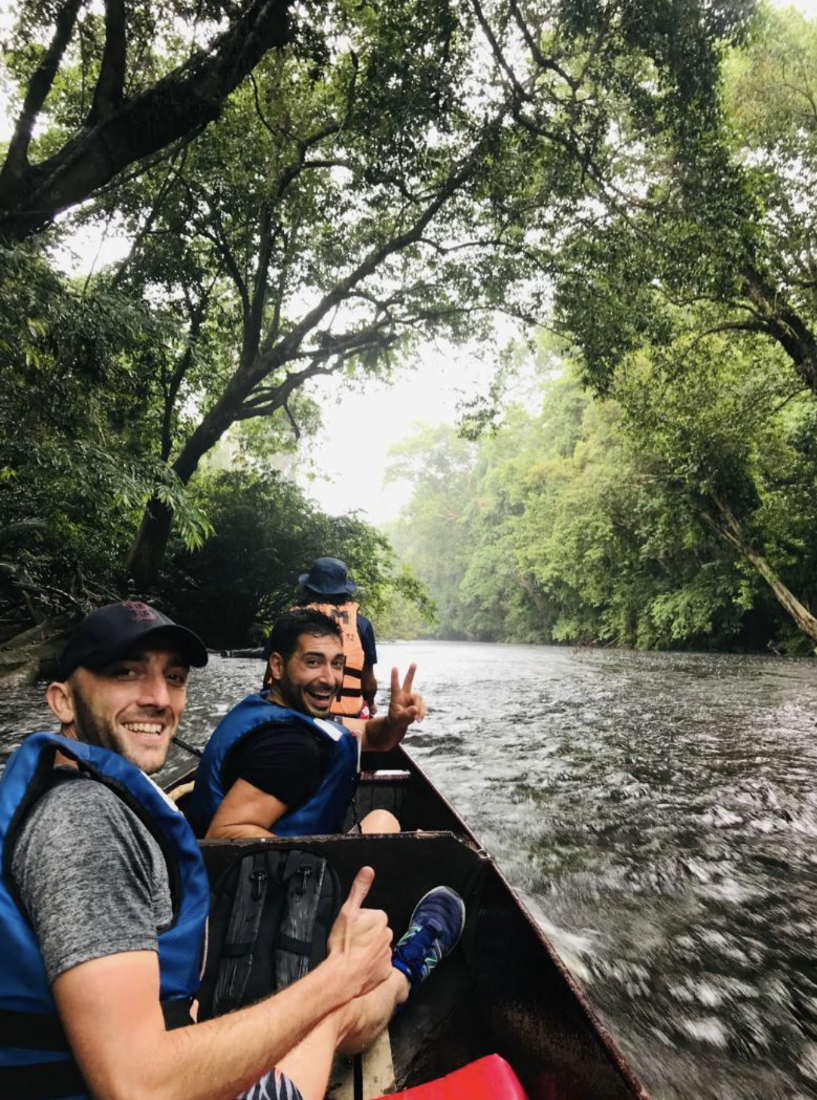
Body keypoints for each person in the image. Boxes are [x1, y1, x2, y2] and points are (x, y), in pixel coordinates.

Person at [0, 600, 465, 1100]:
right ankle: (403, 972)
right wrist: (338, 976)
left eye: (173, 677)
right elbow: (138, 1086)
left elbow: (360, 735)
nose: (158, 697)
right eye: (125, 673)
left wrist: (392, 724)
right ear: (62, 701)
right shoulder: (83, 826)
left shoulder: (76, 778)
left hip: (157, 1020)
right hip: (146, 1079)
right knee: (337, 1009)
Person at [192, 608, 423, 839]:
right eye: (313, 662)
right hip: (271, 872)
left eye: (337, 664)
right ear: (277, 666)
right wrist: (327, 859)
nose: (329, 679)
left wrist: (395, 722)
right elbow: (222, 836)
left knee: (383, 820)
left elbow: (372, 737)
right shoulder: (291, 748)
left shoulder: (270, 707)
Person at [295, 557, 378, 717]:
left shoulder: (290, 621)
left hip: (300, 714)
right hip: (348, 716)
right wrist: (371, 705)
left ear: (308, 589)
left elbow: (270, 682)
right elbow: (368, 685)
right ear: (344, 591)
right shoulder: (362, 624)